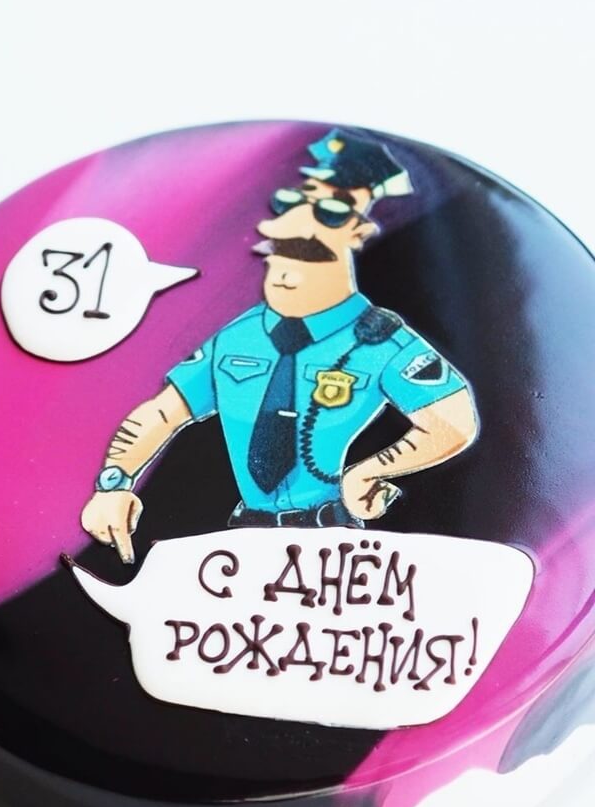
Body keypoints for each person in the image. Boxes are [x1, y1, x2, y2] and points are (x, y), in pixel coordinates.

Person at [81, 129, 479, 564]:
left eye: (331, 208)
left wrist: (370, 471)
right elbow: (162, 413)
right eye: (299, 199)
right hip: (242, 542)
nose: (308, 215)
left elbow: (453, 421)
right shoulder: (236, 336)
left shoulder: (381, 340)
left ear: (358, 228)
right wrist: (113, 485)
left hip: (334, 552)